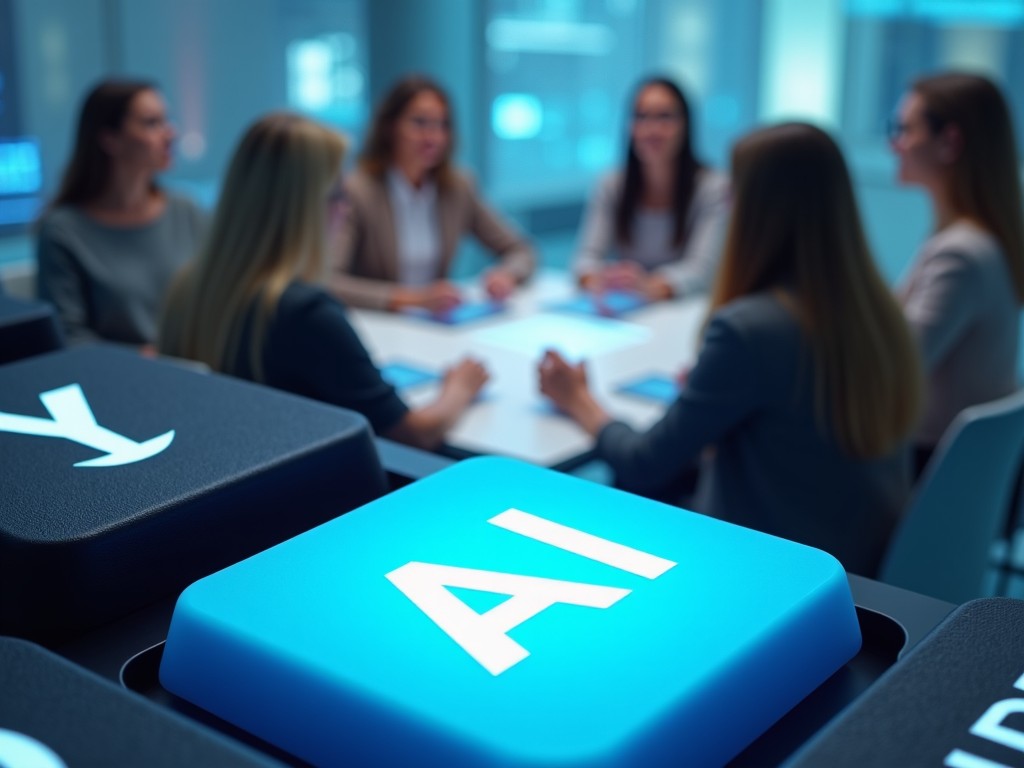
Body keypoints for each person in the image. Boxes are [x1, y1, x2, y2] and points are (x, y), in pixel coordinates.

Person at [539, 123, 922, 576]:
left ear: (759, 211)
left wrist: (577, 401)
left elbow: (644, 462)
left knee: (609, 493)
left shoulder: (750, 330)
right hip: (850, 558)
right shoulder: (877, 309)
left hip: (770, 570)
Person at [159, 113, 487, 449]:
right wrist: (459, 388)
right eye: (338, 195)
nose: (346, 209)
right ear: (305, 206)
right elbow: (415, 433)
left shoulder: (188, 286)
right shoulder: (306, 314)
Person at [890, 72, 1024, 473]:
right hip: (955, 475)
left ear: (949, 142)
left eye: (904, 129)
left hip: (924, 472)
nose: (894, 144)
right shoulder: (982, 239)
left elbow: (892, 370)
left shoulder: (960, 254)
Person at [328, 75, 535, 312]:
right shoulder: (357, 192)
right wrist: (413, 299)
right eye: (420, 123)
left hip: (436, 328)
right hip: (379, 326)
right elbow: (330, 282)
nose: (433, 136)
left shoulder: (458, 187)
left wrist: (505, 275)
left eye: (442, 124)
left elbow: (521, 250)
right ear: (390, 126)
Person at [36, 79, 206, 348]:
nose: (170, 133)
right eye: (152, 123)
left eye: (167, 120)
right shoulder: (64, 231)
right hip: (118, 381)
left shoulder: (187, 212)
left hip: (201, 370)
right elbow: (68, 336)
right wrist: (149, 360)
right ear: (109, 139)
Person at [572, 77, 730, 301]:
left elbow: (702, 271)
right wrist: (601, 279)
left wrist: (648, 285)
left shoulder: (713, 187)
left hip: (683, 311)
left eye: (664, 117)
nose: (652, 129)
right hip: (628, 308)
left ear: (685, 125)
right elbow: (585, 258)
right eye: (641, 117)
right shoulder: (611, 184)